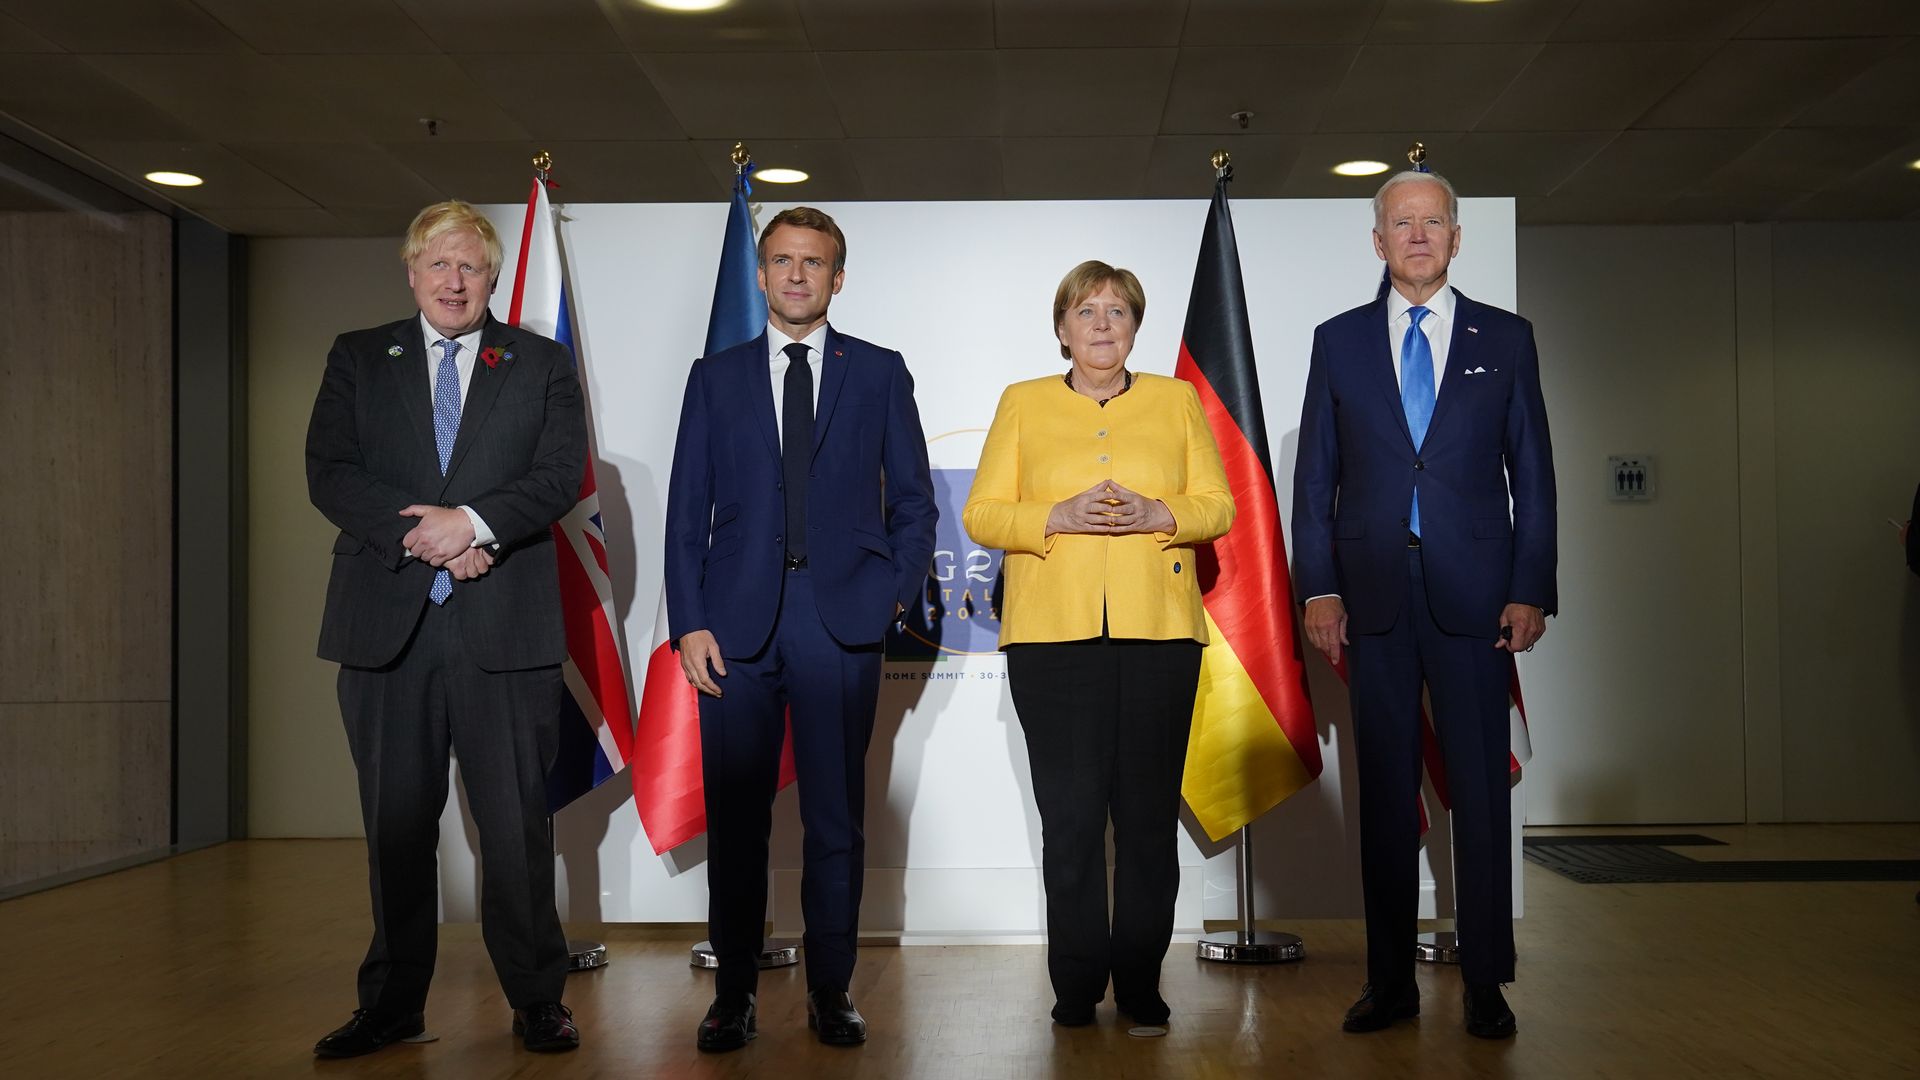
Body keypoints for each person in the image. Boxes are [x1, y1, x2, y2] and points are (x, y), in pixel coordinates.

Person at [304, 201, 587, 1057]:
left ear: (492, 277)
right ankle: (392, 1006)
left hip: (506, 630)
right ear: (412, 272)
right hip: (387, 630)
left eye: (470, 267)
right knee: (395, 827)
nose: (453, 282)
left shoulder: (540, 362)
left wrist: (473, 525)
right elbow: (330, 472)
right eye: (438, 264)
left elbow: (559, 475)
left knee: (516, 827)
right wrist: (427, 537)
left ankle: (538, 999)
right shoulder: (360, 356)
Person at [1292, 170, 1557, 1040]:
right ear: (1378, 241)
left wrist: (1530, 586)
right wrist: (1318, 586)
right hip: (1371, 596)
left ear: (1455, 237)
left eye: (1432, 222)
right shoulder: (1338, 341)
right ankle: (1388, 982)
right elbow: (1316, 479)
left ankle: (1486, 981)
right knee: (1383, 795)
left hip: (1477, 597)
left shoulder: (1505, 338)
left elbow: (1533, 474)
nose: (1416, 236)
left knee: (1479, 791)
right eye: (1400, 223)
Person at [664, 206, 937, 1052]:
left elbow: (916, 501)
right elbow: (685, 512)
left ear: (837, 277)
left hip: (841, 622)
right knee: (737, 819)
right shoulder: (714, 377)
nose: (795, 274)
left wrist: (892, 596)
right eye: (781, 260)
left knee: (834, 818)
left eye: (813, 262)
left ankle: (830, 990)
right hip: (734, 630)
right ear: (760, 275)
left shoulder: (880, 372)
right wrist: (689, 623)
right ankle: (733, 995)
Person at [962, 260, 1235, 1031]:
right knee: (1073, 822)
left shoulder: (1177, 400)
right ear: (1062, 329)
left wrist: (1160, 512)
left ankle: (1141, 983)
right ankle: (1077, 985)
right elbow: (983, 513)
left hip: (1159, 637)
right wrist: (1055, 515)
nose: (1103, 324)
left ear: (1135, 326)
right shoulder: (1022, 402)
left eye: (1118, 311)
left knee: (1147, 822)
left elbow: (1219, 505)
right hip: (1053, 642)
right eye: (1086, 311)